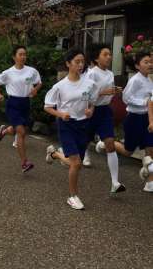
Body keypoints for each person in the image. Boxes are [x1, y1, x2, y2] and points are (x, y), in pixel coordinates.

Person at [44, 48, 97, 210]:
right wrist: (61, 114)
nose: (80, 65)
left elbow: (92, 102)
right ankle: (73, 196)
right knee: (76, 163)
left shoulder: (89, 84)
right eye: (77, 62)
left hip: (83, 125)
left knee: (76, 164)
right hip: (66, 125)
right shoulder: (60, 86)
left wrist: (90, 110)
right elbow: (47, 107)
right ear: (68, 63)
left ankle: (55, 154)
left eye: (82, 62)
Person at [96, 51, 153, 193]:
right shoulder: (135, 80)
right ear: (137, 66)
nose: (149, 64)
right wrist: (144, 102)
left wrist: (149, 105)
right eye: (146, 62)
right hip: (134, 118)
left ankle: (149, 183)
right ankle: (105, 143)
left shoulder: (149, 80)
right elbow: (126, 98)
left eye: (150, 62)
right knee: (128, 151)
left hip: (147, 118)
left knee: (150, 149)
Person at [83, 44, 125, 193]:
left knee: (110, 144)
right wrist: (103, 92)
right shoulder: (91, 74)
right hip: (91, 110)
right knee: (83, 140)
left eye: (110, 54)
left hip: (105, 111)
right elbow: (85, 94)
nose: (109, 57)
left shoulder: (110, 74)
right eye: (105, 54)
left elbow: (109, 91)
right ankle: (80, 153)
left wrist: (114, 91)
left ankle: (115, 182)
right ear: (96, 58)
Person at [0, 46, 42, 173]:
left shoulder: (31, 71)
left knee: (17, 129)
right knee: (21, 132)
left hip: (25, 103)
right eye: (20, 54)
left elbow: (39, 82)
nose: (23, 56)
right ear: (14, 57)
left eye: (24, 54)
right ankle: (24, 163)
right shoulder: (8, 73)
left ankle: (4, 131)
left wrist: (35, 89)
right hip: (13, 104)